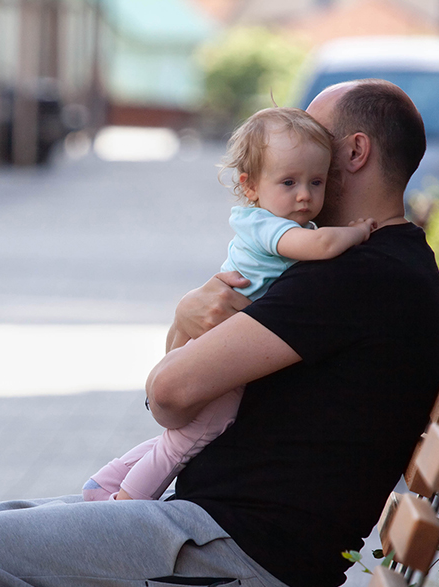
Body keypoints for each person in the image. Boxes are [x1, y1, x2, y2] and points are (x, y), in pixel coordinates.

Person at [0, 79, 439, 587]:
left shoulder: (354, 277)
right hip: (232, 539)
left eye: (315, 135)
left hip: (241, 555)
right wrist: (185, 321)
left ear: (355, 152)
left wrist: (183, 323)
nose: (302, 152)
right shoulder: (389, 267)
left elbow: (169, 393)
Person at [82, 107, 376, 502]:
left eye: (317, 181)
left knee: (185, 435)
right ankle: (126, 501)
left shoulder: (286, 222)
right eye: (289, 182)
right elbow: (321, 245)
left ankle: (109, 480)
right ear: (250, 186)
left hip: (222, 337)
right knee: (202, 431)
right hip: (222, 339)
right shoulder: (269, 225)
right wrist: (357, 231)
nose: (305, 194)